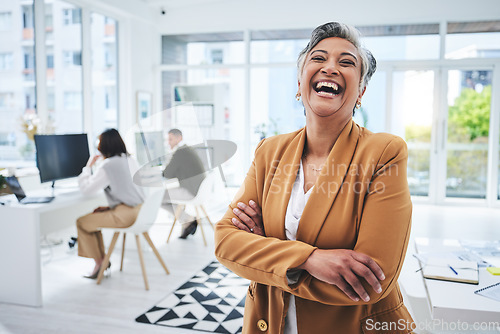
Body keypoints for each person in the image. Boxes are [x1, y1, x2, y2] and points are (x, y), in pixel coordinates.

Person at [215, 22, 414, 334]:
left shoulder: (384, 153)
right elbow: (226, 241)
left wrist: (265, 246)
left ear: (360, 91)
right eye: (318, 58)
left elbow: (371, 281)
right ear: (299, 82)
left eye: (347, 62)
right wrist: (309, 259)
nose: (331, 68)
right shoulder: (270, 151)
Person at [77, 128, 144, 279]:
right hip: (139, 212)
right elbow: (129, 191)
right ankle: (102, 261)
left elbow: (86, 189)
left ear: (104, 146)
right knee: (95, 216)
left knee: (82, 223)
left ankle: (100, 262)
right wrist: (108, 207)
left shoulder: (108, 165)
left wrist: (88, 167)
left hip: (126, 216)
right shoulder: (130, 159)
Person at [162, 129, 206, 239]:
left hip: (191, 191)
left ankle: (188, 219)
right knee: (164, 195)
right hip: (199, 189)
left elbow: (167, 173)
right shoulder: (187, 149)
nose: (168, 142)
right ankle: (187, 221)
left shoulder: (180, 151)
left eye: (171, 139)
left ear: (179, 138)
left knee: (158, 197)